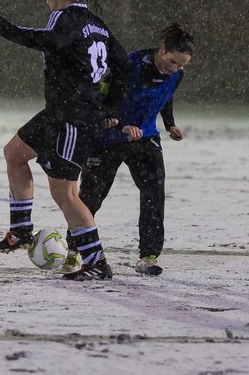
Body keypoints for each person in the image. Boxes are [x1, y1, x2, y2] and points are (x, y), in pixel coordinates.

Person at [0, 0, 130, 280]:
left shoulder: (65, 19)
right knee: (15, 153)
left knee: (65, 194)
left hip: (73, 118)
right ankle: (22, 231)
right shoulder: (97, 24)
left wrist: (7, 29)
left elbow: (50, 41)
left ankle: (97, 264)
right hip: (61, 112)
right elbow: (123, 66)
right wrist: (111, 108)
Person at [78, 23, 195, 277]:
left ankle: (148, 256)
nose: (176, 69)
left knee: (154, 190)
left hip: (145, 137)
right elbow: (101, 96)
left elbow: (166, 95)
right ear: (162, 50)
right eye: (173, 61)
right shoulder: (129, 65)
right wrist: (118, 123)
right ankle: (75, 249)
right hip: (107, 136)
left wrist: (170, 123)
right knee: (91, 197)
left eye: (182, 65)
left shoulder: (176, 74)